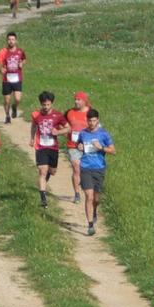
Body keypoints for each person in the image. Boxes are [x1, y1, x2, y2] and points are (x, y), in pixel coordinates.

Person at [73, 107, 115, 235]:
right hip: (85, 168)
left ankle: (95, 210)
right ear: (87, 121)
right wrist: (79, 147)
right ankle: (90, 225)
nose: (91, 123)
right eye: (89, 121)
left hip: (99, 169)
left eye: (94, 120)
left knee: (96, 198)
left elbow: (113, 150)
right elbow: (78, 145)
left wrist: (101, 147)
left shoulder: (104, 134)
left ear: (98, 120)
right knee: (89, 196)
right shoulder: (83, 133)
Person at [30, 90, 65, 207]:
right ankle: (43, 198)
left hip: (53, 147)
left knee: (52, 171)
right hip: (41, 146)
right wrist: (32, 138)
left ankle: (44, 181)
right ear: (41, 104)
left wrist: (58, 131)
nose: (46, 107)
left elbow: (68, 128)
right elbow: (34, 126)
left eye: (48, 104)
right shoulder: (36, 115)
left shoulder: (58, 115)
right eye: (44, 104)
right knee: (42, 170)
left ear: (52, 103)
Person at [63, 91, 94, 201]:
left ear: (84, 101)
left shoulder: (91, 112)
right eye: (75, 99)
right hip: (73, 145)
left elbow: (97, 128)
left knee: (86, 170)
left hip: (88, 145)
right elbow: (63, 123)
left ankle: (89, 189)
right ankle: (77, 194)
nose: (76, 101)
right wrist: (65, 131)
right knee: (76, 168)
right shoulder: (70, 112)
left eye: (78, 99)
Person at [0, 31, 25, 124]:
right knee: (7, 100)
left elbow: (24, 59)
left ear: (16, 41)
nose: (11, 41)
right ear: (7, 41)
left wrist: (22, 63)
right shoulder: (3, 52)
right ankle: (7, 116)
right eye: (9, 40)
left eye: (13, 39)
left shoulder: (20, 51)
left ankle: (15, 107)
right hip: (7, 79)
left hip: (17, 78)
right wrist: (0, 70)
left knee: (18, 99)